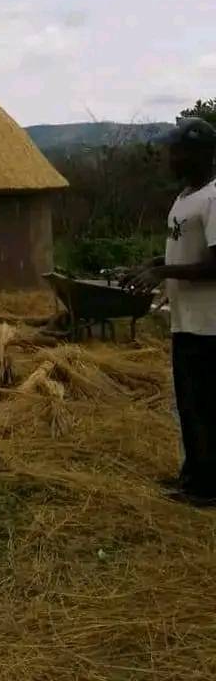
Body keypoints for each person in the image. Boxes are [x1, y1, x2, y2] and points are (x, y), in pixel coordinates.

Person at [125, 117, 216, 506]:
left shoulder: (213, 198)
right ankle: (194, 477)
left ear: (197, 154)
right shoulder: (185, 197)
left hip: (209, 327)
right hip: (186, 323)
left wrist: (163, 273)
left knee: (206, 407)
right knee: (190, 406)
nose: (169, 158)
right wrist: (153, 264)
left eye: (176, 151)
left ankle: (207, 489)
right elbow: (184, 251)